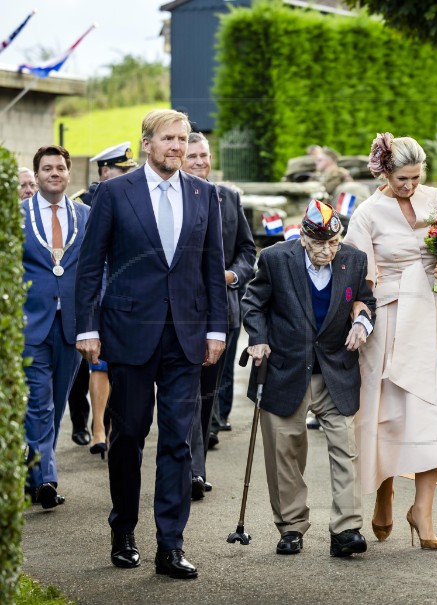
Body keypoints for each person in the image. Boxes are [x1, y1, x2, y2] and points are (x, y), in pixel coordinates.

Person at [75, 109, 228, 579]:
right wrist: (87, 327)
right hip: (129, 333)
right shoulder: (114, 193)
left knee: (178, 442)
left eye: (183, 139)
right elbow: (91, 262)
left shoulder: (205, 194)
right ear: (147, 143)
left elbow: (211, 265)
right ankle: (123, 530)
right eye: (168, 139)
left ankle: (170, 545)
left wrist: (217, 329)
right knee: (129, 436)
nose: (178, 147)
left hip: (185, 336)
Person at [344, 132, 437, 551]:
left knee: (436, 411)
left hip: (436, 313)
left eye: (414, 177)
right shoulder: (368, 214)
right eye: (400, 179)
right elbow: (361, 279)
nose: (408, 186)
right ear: (384, 172)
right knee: (389, 413)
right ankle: (384, 492)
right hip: (389, 318)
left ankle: (423, 510)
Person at [241, 199, 375, 557]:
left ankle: (346, 529)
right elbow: (254, 303)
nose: (327, 251)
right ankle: (291, 527)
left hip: (336, 369)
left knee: (345, 448)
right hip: (285, 369)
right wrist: (257, 339)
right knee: (285, 451)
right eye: (320, 244)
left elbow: (364, 300)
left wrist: (362, 323)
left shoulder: (353, 259)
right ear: (303, 237)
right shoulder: (274, 259)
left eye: (333, 243)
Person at [183, 132, 256, 500]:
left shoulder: (228, 197)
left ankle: (195, 466)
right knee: (185, 395)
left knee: (207, 396)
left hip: (221, 311)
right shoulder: (171, 198)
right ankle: (189, 469)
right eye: (192, 155)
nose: (199, 161)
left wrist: (232, 275)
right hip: (177, 314)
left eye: (204, 155)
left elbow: (247, 249)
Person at [21, 145, 90, 509]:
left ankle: (34, 470)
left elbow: (99, 268)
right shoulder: (18, 216)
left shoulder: (85, 215)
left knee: (58, 401)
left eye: (60, 167)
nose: (54, 173)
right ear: (37, 175)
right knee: (39, 404)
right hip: (31, 324)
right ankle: (45, 478)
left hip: (72, 325)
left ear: (68, 173)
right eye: (47, 168)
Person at [72, 141, 140, 458]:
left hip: (127, 292)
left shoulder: (134, 197)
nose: (125, 175)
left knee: (125, 366)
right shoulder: (88, 202)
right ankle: (98, 427)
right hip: (100, 290)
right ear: (104, 171)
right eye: (119, 169)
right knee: (99, 366)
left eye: (128, 170)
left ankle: (115, 427)